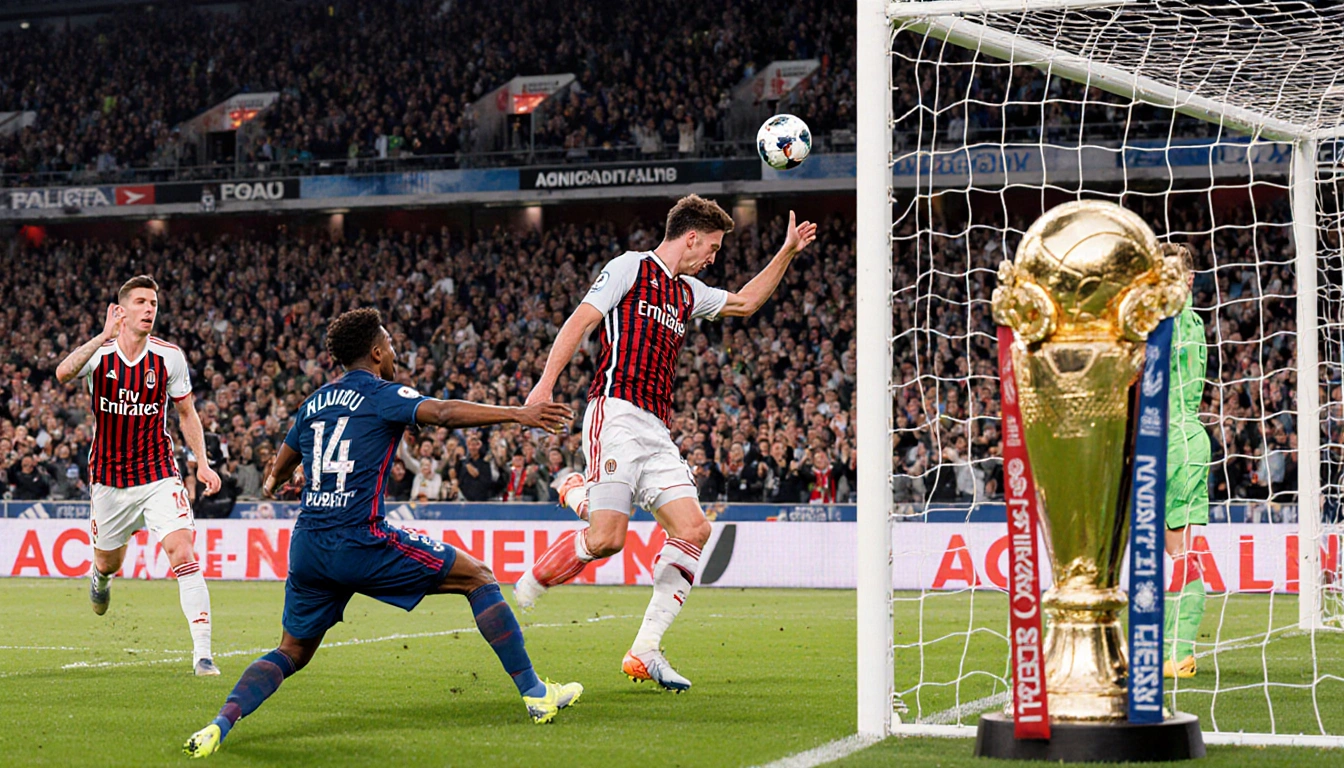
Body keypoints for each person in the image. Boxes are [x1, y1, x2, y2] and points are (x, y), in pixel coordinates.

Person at [183, 308, 582, 759]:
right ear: (376, 352)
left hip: (309, 545)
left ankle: (219, 724)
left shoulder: (314, 402)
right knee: (478, 577)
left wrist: (276, 482)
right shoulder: (381, 393)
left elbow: (281, 464)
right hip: (361, 540)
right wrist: (518, 413)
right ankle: (535, 693)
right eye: (390, 345)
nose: (394, 353)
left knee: (290, 651)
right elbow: (442, 412)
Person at [513, 195, 816, 691]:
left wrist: (786, 252)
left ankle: (645, 648)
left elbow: (745, 302)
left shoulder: (688, 291)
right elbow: (580, 321)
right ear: (691, 237)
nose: (713, 257)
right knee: (608, 539)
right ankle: (563, 523)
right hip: (615, 413)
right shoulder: (630, 268)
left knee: (694, 529)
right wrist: (544, 386)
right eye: (712, 247)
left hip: (657, 429)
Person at [55, 275, 223, 676]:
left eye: (153, 304)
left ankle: (203, 654)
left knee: (182, 551)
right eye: (141, 302)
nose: (149, 310)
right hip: (109, 479)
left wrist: (201, 462)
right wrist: (102, 335)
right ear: (121, 310)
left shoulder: (169, 357)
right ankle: (101, 578)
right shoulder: (101, 355)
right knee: (108, 562)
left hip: (157, 472)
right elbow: (62, 373)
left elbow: (186, 413)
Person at [1164, 246, 1211, 679]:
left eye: (1172, 274)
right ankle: (1176, 650)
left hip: (1174, 444)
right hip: (1186, 439)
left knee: (1177, 551)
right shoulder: (1193, 321)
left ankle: (1177, 653)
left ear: (1190, 279)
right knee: (1178, 551)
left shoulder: (1175, 322)